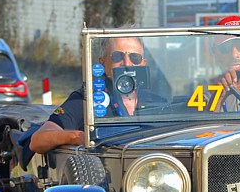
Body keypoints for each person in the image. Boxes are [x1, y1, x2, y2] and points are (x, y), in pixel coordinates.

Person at [29, 36, 161, 154]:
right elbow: (37, 141)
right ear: (103, 62)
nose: (126, 64)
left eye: (135, 58)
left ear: (143, 64)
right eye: (117, 56)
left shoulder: (157, 101)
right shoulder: (87, 99)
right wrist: (78, 137)